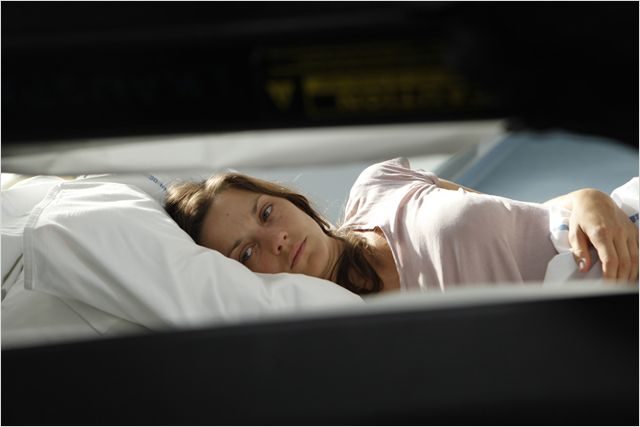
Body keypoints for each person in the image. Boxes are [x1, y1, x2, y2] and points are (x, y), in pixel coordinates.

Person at [165, 158, 638, 295]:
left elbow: (524, 213)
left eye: (267, 213)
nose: (276, 239)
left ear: (287, 200)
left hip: (623, 221)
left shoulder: (380, 183)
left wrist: (587, 198)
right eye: (247, 252)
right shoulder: (354, 335)